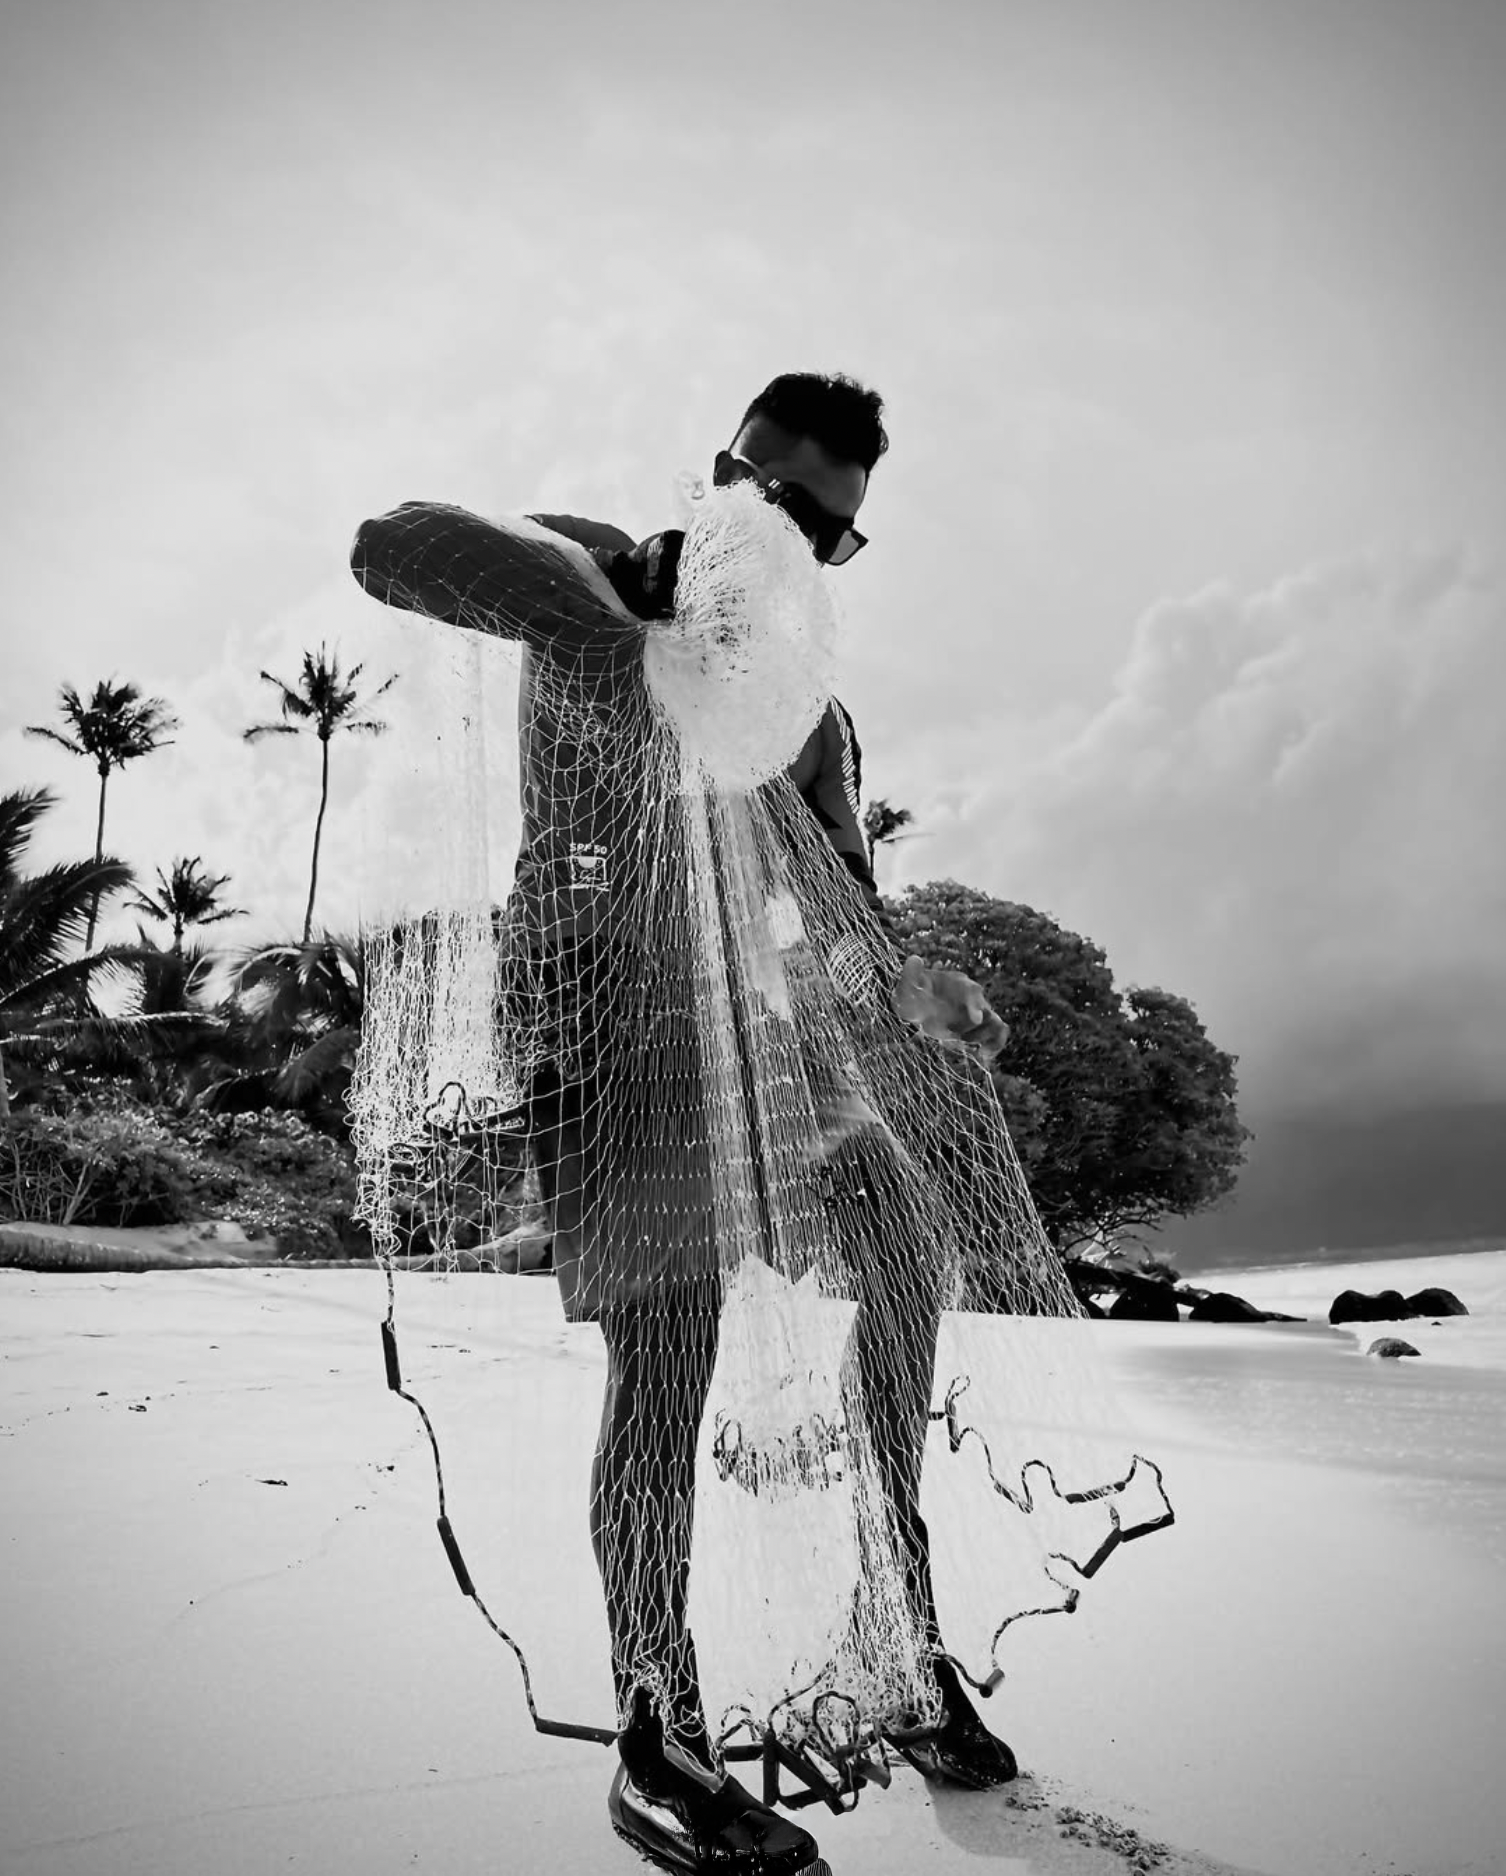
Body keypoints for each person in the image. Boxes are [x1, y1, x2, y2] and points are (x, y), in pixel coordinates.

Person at [354, 374, 1018, 1876]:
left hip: (761, 1033)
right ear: (723, 479)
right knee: (665, 1365)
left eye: (831, 537)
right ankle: (659, 1731)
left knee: (907, 1244)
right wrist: (615, 583)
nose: (799, 544)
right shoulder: (590, 577)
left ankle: (895, 1637)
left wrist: (908, 979)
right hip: (606, 1034)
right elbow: (387, 544)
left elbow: (841, 908)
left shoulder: (806, 715)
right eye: (779, 503)